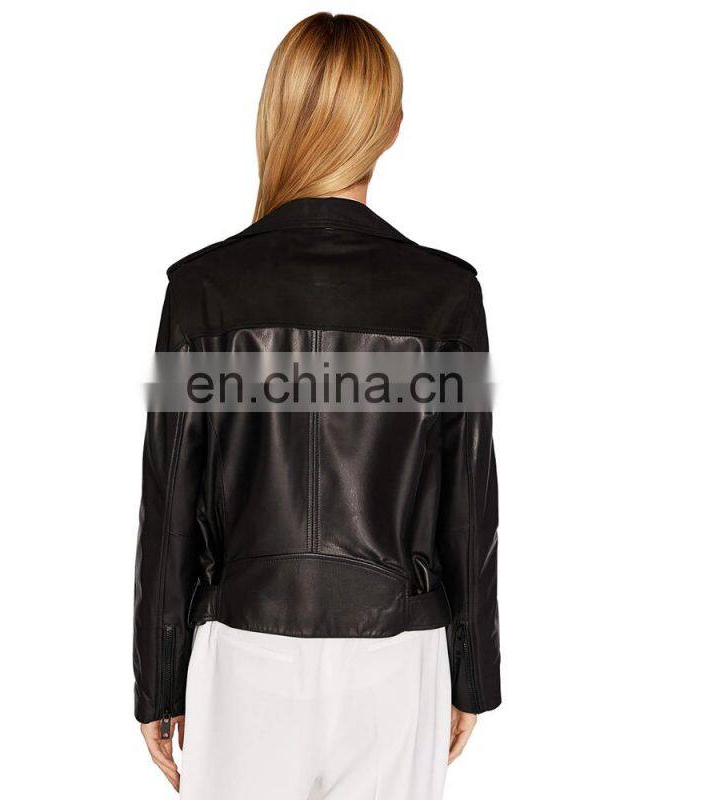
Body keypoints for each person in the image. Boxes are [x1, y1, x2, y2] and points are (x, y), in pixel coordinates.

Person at [133, 12, 500, 799]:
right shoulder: (445, 296)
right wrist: (474, 671)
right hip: (397, 653)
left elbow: (170, 502)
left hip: (243, 650)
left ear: (278, 114)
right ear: (390, 125)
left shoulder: (201, 291)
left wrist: (158, 680)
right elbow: (469, 504)